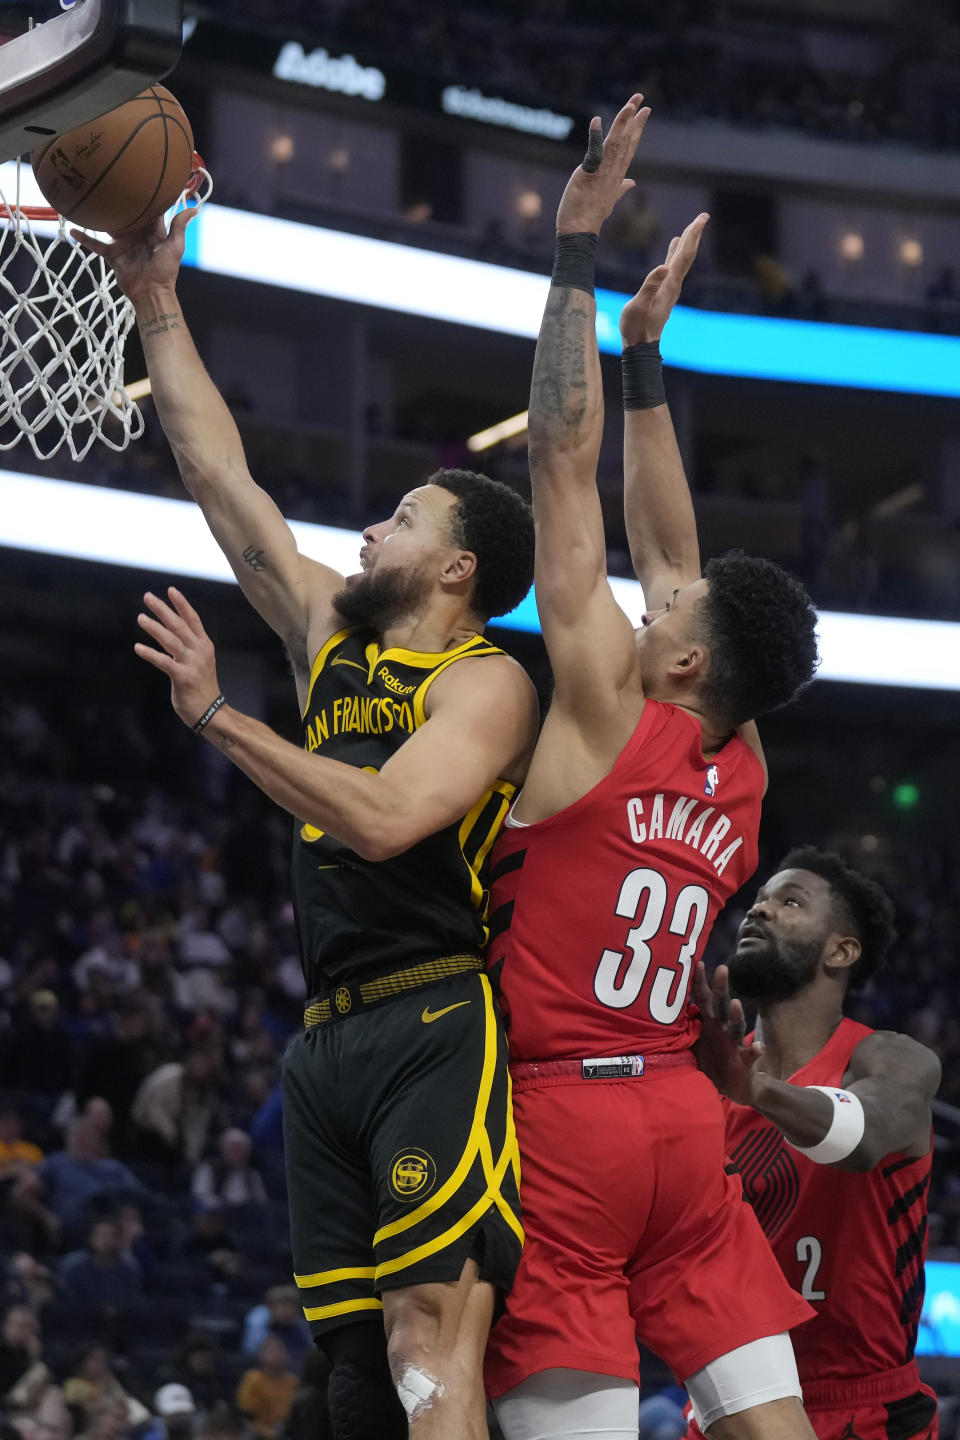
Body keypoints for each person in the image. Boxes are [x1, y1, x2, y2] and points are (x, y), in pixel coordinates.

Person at [82, 198, 538, 1440]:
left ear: (459, 571)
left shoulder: (487, 681)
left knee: (427, 1344)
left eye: (404, 517)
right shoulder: (329, 638)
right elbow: (222, 478)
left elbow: (389, 819)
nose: (373, 524)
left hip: (436, 1013)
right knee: (350, 1371)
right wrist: (154, 297)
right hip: (325, 1038)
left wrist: (220, 719)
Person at [481, 98, 820, 1439]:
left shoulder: (606, 704)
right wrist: (646, 359)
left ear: (683, 664)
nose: (649, 600)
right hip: (680, 1123)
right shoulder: (737, 756)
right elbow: (680, 563)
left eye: (666, 617)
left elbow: (560, 466)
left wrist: (572, 242)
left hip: (562, 1126)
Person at [685, 848, 941, 1440]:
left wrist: (758, 1092)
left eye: (790, 901)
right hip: (724, 1401)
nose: (761, 911)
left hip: (866, 1408)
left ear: (841, 950)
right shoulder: (705, 1079)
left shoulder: (887, 1058)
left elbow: (866, 1138)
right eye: (759, 901)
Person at [235, 1336, 297, 1440]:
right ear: (261, 1354)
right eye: (270, 1350)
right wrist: (268, 1433)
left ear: (287, 1354)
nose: (275, 1354)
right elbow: (246, 1417)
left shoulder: (293, 1382)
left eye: (279, 1349)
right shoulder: (253, 1379)